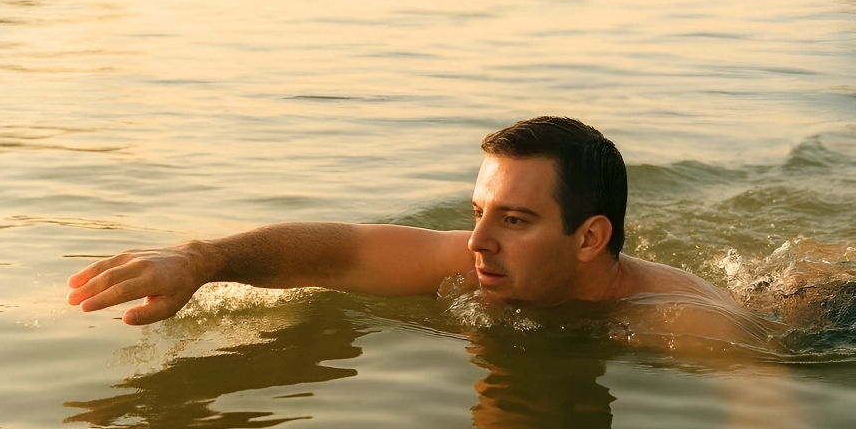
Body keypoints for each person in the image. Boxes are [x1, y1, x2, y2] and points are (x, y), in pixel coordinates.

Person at [66, 116, 753, 344]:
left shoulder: (683, 324)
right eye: (479, 212)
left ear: (589, 238)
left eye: (514, 220)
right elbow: (345, 250)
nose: (478, 241)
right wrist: (200, 258)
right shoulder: (474, 261)